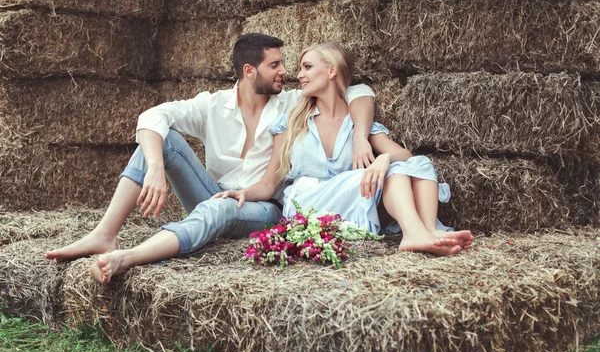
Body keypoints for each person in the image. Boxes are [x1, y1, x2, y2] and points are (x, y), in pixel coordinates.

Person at [45, 34, 376, 283]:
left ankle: (129, 257)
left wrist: (361, 135)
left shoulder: (293, 102)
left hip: (261, 208)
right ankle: (105, 233)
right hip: (214, 192)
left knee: (221, 206)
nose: (285, 72)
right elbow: (151, 117)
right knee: (164, 140)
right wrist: (157, 169)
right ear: (249, 70)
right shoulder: (211, 105)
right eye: (275, 65)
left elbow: (359, 91)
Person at [214, 43, 473, 255]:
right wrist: (243, 193)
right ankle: (417, 233)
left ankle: (426, 231)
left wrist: (382, 159)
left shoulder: (358, 122)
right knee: (374, 173)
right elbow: (270, 183)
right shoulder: (291, 122)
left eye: (307, 67)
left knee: (417, 164)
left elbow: (408, 158)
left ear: (331, 71)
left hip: (351, 200)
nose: (299, 75)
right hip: (308, 204)